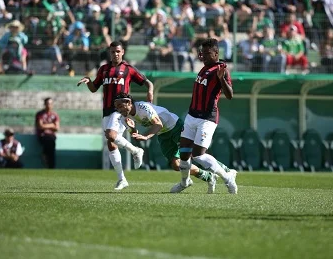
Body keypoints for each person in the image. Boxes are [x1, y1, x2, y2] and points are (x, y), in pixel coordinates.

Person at [113, 92, 236, 193]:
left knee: (194, 154)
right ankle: (208, 177)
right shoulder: (124, 118)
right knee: (176, 165)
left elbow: (158, 124)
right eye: (116, 107)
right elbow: (135, 134)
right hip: (163, 135)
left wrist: (146, 137)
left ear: (129, 102)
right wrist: (134, 129)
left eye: (120, 106)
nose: (118, 109)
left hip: (175, 127)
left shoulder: (144, 108)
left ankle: (227, 171)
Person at [77, 40, 153, 190]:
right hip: (106, 110)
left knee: (111, 135)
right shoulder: (104, 69)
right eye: (113, 52)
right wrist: (88, 81)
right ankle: (122, 179)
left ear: (122, 52)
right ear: (110, 53)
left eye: (118, 51)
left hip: (121, 110)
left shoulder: (128, 69)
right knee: (111, 143)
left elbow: (147, 82)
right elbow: (94, 88)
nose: (115, 54)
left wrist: (150, 90)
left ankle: (135, 150)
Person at [173, 38, 238, 194]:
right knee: (184, 155)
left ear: (216, 53)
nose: (204, 56)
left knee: (198, 155)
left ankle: (227, 177)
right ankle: (184, 182)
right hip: (191, 116)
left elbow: (230, 95)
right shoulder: (203, 68)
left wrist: (221, 78)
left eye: (208, 54)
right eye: (203, 53)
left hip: (207, 118)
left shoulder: (221, 69)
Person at [35, 97, 60, 169]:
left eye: (50, 104)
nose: (49, 105)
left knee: (51, 145)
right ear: (45, 104)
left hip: (51, 137)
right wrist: (52, 125)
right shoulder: (40, 114)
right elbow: (40, 126)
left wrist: (46, 126)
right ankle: (50, 164)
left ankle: (45, 157)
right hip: (43, 136)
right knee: (50, 143)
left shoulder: (54, 115)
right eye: (47, 104)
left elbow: (57, 127)